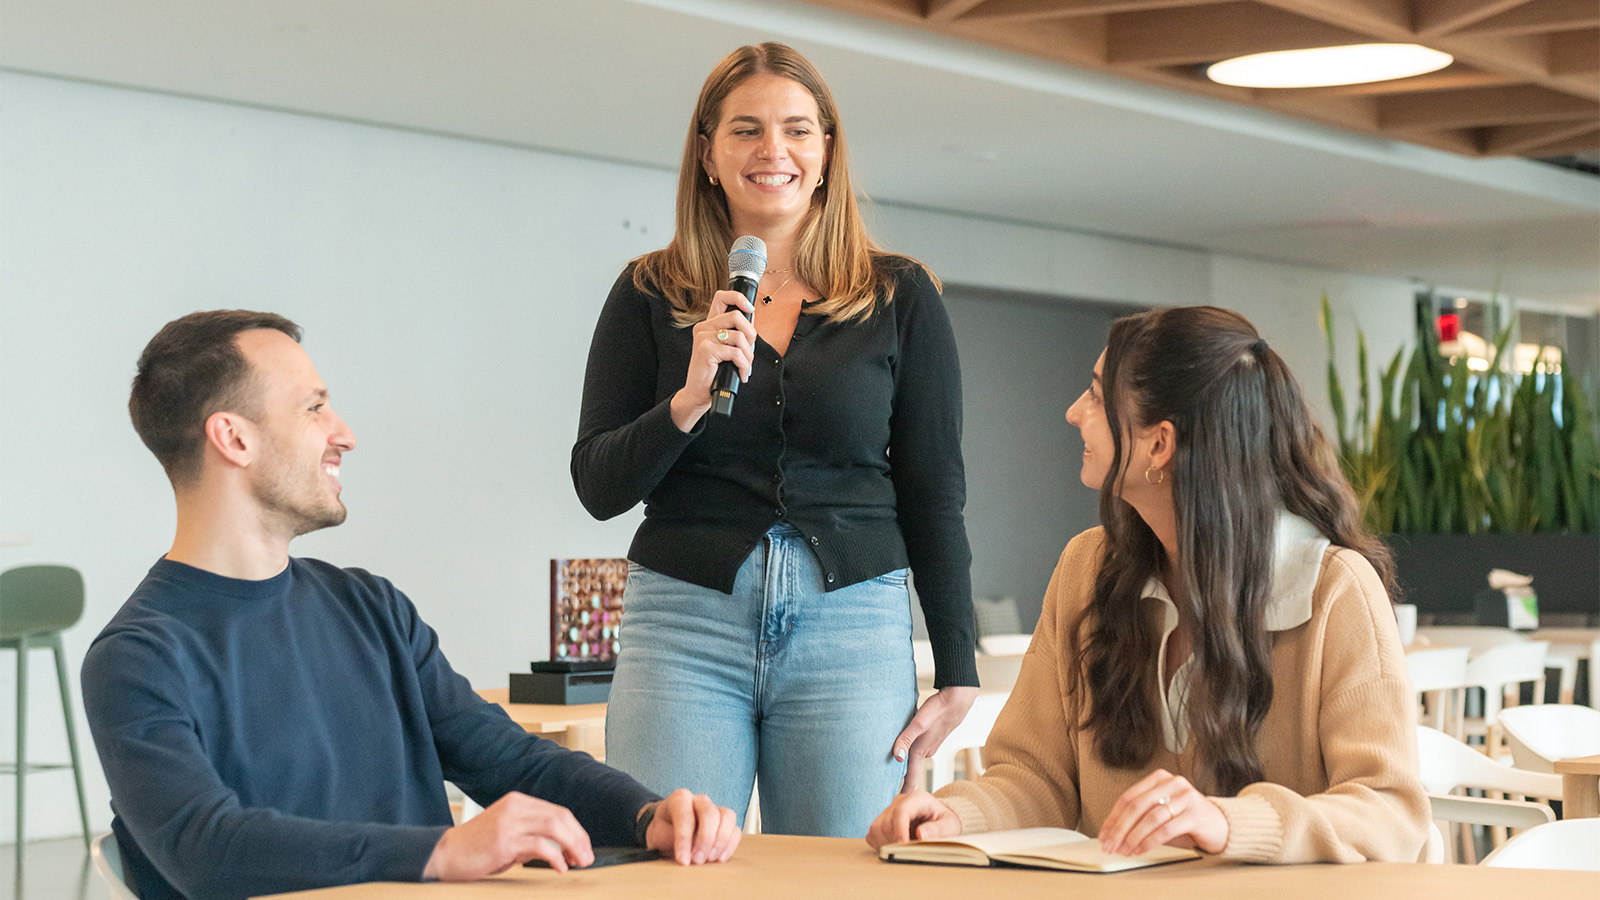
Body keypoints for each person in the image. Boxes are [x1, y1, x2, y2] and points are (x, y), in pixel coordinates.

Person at [83, 311, 740, 900]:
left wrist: (647, 815)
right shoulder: (137, 657)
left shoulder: (370, 608)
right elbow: (208, 850)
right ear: (233, 438)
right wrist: (444, 850)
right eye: (314, 408)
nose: (344, 434)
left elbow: (511, 761)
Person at [571, 42, 978, 838]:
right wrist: (687, 401)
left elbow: (934, 488)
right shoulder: (648, 293)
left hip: (851, 626)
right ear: (708, 154)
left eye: (797, 130)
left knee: (844, 875)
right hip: (685, 623)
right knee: (670, 868)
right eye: (746, 130)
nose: (773, 151)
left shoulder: (900, 296)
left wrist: (957, 667)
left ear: (826, 153)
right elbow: (597, 484)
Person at [866, 306, 1430, 863]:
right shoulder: (1085, 568)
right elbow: (1036, 777)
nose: (1072, 412)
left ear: (1159, 445)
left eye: (1093, 395)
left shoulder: (1335, 589)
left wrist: (1228, 823)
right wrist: (957, 816)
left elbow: (1389, 814)